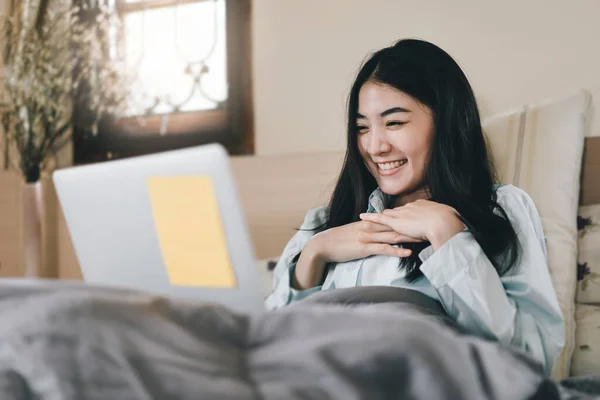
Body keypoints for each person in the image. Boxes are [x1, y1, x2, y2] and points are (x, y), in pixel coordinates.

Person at [265, 38, 565, 376]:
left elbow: (531, 359)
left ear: (445, 123)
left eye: (394, 123)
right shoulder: (324, 224)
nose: (375, 146)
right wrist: (315, 254)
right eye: (362, 128)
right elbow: (269, 351)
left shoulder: (500, 209)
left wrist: (449, 237)